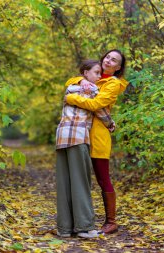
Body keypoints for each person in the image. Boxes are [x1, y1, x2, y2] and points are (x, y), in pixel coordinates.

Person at [65, 49, 128, 234]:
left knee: (102, 178)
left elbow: (95, 104)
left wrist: (70, 98)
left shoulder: (113, 84)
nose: (108, 61)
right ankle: (77, 221)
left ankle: (111, 221)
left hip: (98, 136)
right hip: (79, 133)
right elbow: (70, 81)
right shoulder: (94, 75)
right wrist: (81, 80)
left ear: (118, 68)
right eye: (108, 57)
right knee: (78, 177)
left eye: (114, 60)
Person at [56, 59, 115, 238]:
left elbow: (70, 91)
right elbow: (101, 112)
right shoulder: (92, 89)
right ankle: (84, 227)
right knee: (81, 181)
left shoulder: (70, 88)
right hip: (78, 137)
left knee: (64, 183)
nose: (98, 76)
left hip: (62, 137)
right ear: (85, 73)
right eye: (96, 73)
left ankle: (64, 229)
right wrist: (111, 124)